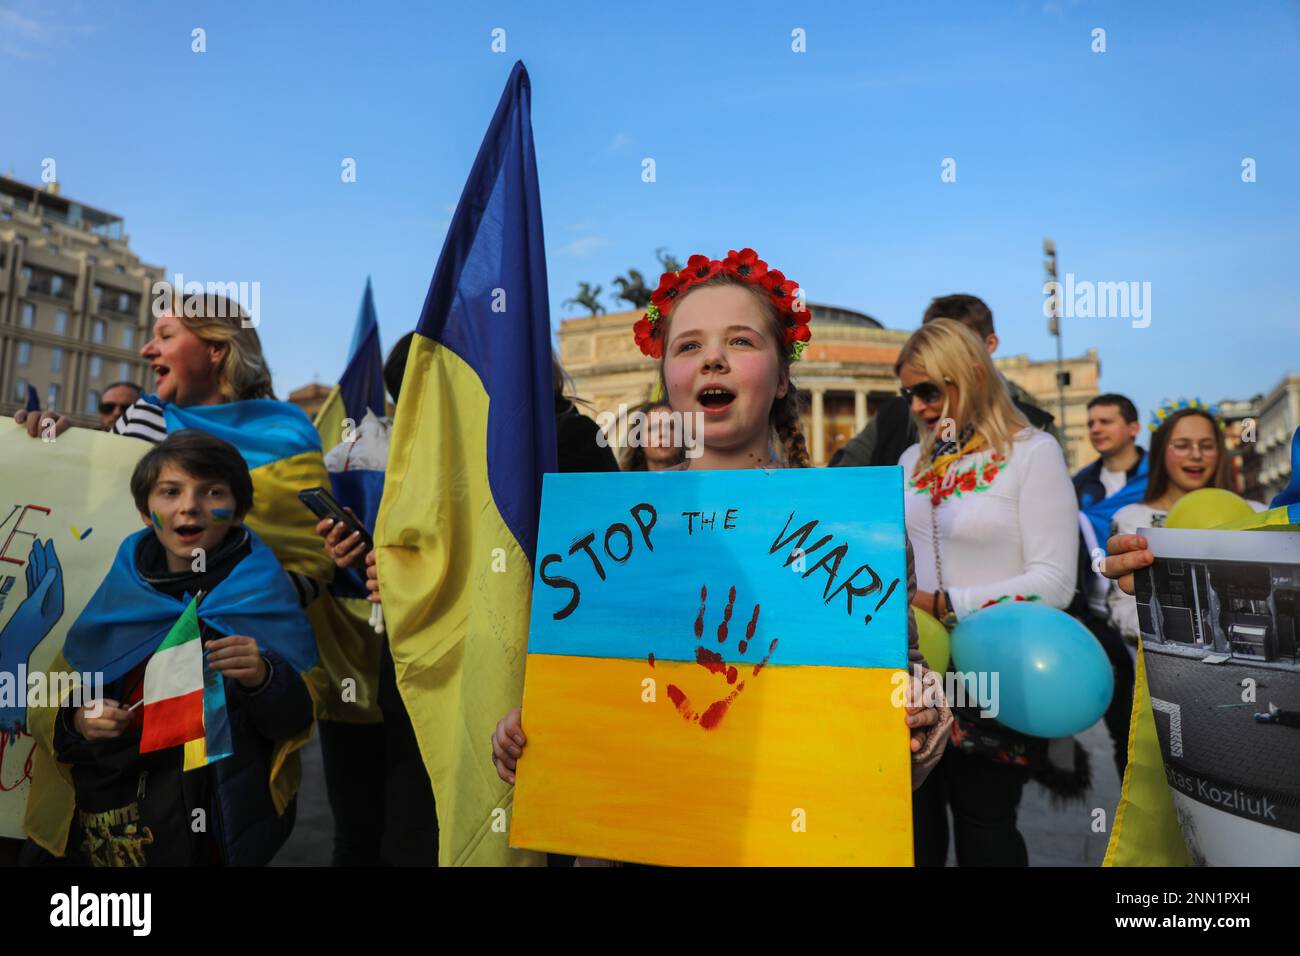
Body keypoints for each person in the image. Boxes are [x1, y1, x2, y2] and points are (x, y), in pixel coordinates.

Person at [475, 249, 952, 864]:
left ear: (781, 376)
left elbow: (893, 720)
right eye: (688, 346)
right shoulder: (593, 530)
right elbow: (584, 687)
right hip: (638, 844)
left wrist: (920, 720)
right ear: (668, 378)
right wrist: (530, 733)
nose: (713, 359)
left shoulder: (859, 530)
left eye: (741, 341)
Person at [32, 430, 316, 865]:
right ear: (147, 512)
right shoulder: (118, 593)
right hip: (115, 831)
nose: (189, 506)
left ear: (238, 510)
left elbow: (298, 719)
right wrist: (76, 720)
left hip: (221, 833)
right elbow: (48, 702)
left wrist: (265, 677)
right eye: (170, 491)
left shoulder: (265, 593)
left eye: (212, 492)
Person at [897, 318, 1078, 867]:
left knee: (986, 828)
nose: (918, 406)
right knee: (912, 830)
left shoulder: (1033, 452)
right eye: (908, 393)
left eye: (930, 389)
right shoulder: (908, 462)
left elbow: (1055, 583)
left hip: (993, 670)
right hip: (915, 669)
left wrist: (945, 603)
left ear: (973, 375)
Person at [835, 294, 1058, 468]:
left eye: (958, 346)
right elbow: (840, 476)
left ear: (988, 346)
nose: (941, 359)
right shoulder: (897, 419)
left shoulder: (1035, 432)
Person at [1105, 403, 1264, 643]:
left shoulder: (1257, 513)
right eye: (1181, 445)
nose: (1196, 454)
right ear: (1160, 452)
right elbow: (1121, 610)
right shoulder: (1132, 520)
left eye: (1207, 445)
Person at [1071, 394, 1147, 778]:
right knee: (1123, 732)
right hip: (1102, 624)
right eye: (1091, 423)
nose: (1095, 429)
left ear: (1133, 428)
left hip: (1148, 623)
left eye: (1106, 421)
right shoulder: (1080, 484)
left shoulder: (1160, 475)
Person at [618, 400, 685, 471]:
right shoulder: (625, 481)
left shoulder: (696, 479)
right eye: (653, 428)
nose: (662, 433)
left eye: (671, 427)